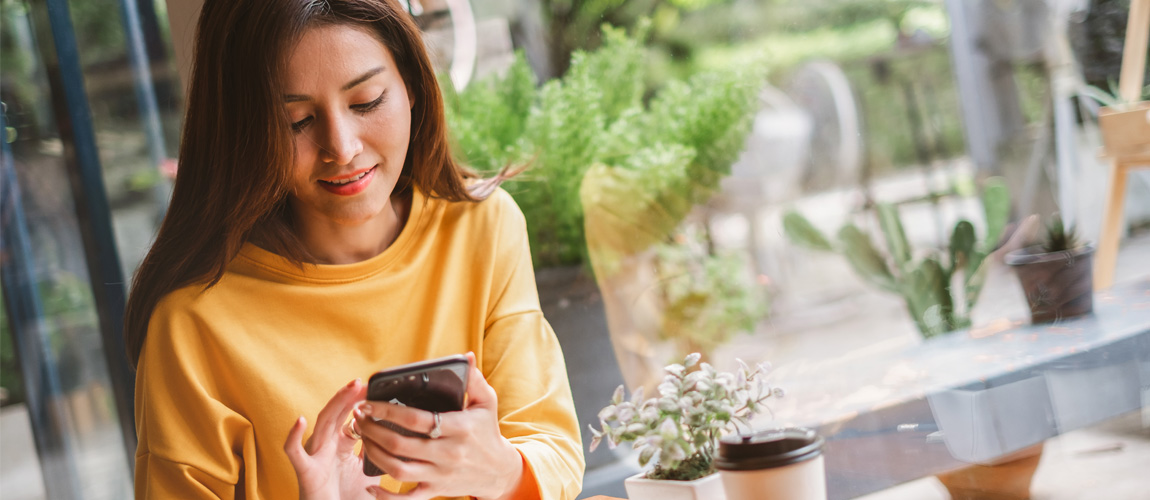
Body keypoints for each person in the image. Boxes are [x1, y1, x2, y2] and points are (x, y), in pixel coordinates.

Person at [124, 0, 584, 498]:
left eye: (365, 101)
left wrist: (500, 470)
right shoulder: (192, 324)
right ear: (246, 131)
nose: (341, 147)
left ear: (410, 83)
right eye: (297, 120)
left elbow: (553, 450)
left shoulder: (483, 229)